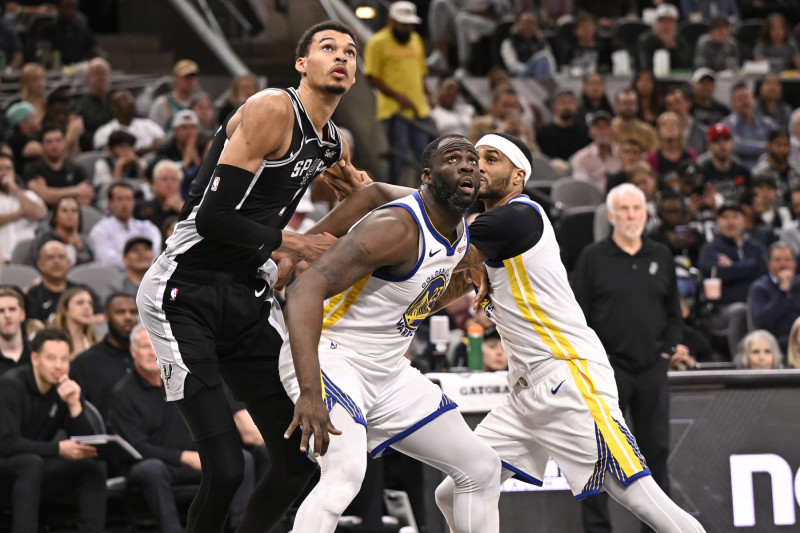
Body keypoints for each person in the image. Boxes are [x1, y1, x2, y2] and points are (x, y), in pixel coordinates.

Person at [306, 135, 704, 533]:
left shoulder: (516, 216)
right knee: (456, 490)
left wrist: (369, 200)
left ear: (518, 176)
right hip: (526, 390)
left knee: (632, 490)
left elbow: (424, 225)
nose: (477, 165)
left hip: (567, 375)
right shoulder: (487, 232)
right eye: (473, 158)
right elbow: (434, 254)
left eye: (490, 159)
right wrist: (373, 194)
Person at [135, 21, 368, 533]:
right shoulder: (272, 108)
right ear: (301, 64)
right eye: (328, 48)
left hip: (245, 292)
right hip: (185, 289)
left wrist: (363, 194)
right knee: (225, 469)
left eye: (351, 52)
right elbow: (213, 217)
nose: (342, 57)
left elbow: (361, 195)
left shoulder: (331, 143)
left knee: (296, 464)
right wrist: (298, 243)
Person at [280, 134, 501, 533]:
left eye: (473, 159)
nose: (469, 165)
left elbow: (374, 190)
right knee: (343, 477)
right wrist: (310, 390)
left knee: (481, 468)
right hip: (333, 357)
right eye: (455, 159)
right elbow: (302, 291)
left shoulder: (453, 222)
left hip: (387, 370)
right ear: (429, 177)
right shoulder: (396, 227)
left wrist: (474, 270)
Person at [572, 183, 699, 533]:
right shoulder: (592, 258)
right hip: (606, 372)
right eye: (624, 209)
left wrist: (666, 351)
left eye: (637, 208)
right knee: (597, 456)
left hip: (652, 370)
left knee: (655, 453)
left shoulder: (660, 255)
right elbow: (577, 317)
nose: (631, 215)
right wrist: (597, 360)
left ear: (646, 213)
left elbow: (675, 314)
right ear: (611, 216)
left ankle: (656, 529)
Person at [109, 324, 256, 532]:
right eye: (145, 347)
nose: (152, 352)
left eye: (156, 345)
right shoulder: (123, 394)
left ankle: (242, 528)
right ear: (133, 351)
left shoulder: (184, 379)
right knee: (152, 469)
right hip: (159, 466)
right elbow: (137, 448)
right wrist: (184, 457)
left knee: (243, 459)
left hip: (199, 459)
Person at [0, 328, 107, 533]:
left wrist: (75, 405)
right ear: (35, 358)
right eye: (51, 358)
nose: (59, 366)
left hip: (37, 465)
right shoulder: (10, 386)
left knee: (92, 466)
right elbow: (7, 443)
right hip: (8, 465)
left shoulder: (65, 387)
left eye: (64, 359)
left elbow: (88, 445)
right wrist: (58, 449)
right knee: (31, 463)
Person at [363, 1, 432, 185]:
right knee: (398, 160)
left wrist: (429, 96)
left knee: (424, 159)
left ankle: (423, 200)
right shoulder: (377, 42)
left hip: (419, 109)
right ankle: (390, 199)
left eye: (409, 24)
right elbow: (371, 76)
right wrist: (397, 96)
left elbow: (421, 72)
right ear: (391, 20)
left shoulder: (416, 39)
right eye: (403, 23)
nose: (407, 27)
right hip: (394, 110)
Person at [697, 202, 767, 356]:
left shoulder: (756, 247)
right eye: (725, 218)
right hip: (721, 311)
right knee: (740, 310)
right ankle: (741, 363)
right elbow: (714, 272)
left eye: (735, 217)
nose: (730, 222)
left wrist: (733, 267)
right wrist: (748, 267)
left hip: (757, 305)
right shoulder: (710, 248)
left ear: (744, 220)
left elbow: (763, 269)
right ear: (718, 221)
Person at [70, 292, 137, 421]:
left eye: (133, 312)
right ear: (106, 317)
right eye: (120, 312)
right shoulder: (85, 363)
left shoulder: (150, 358)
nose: (128, 317)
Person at [90, 182, 162, 271]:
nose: (125, 204)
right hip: (115, 279)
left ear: (133, 202)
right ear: (110, 204)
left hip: (147, 276)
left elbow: (155, 255)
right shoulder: (100, 230)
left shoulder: (147, 227)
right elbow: (107, 261)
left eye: (128, 199)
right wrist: (139, 262)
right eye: (120, 199)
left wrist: (134, 260)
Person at [748, 241, 800, 354]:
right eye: (777, 260)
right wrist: (782, 291)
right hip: (772, 344)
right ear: (769, 264)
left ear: (795, 263)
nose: (783, 264)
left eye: (787, 260)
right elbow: (762, 323)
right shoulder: (759, 288)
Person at [23, 124, 93, 208]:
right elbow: (39, 196)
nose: (54, 145)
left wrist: (50, 193)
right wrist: (75, 190)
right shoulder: (32, 169)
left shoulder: (77, 169)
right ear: (41, 145)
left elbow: (85, 199)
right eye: (49, 142)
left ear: (64, 143)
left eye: (58, 140)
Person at [0, 151, 46, 263]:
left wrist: (14, 189)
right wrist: (20, 213)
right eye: (1, 169)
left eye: (8, 169)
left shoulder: (28, 195)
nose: (4, 173)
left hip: (29, 260)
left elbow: (39, 213)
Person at [467, 85, 538, 153]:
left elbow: (536, 154)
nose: (509, 110)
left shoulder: (525, 127)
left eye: (513, 106)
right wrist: (501, 132)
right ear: (494, 104)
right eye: (505, 105)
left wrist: (522, 136)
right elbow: (471, 149)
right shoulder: (479, 124)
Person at [723, 82, 777, 169]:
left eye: (746, 97)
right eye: (740, 99)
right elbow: (735, 146)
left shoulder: (767, 123)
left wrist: (771, 146)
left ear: (753, 99)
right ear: (732, 104)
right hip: (739, 170)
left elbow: (776, 145)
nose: (745, 102)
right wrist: (765, 146)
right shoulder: (726, 125)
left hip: (767, 170)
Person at [94, 89, 165, 153]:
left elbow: (160, 143)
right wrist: (143, 151)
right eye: (124, 100)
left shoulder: (148, 124)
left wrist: (136, 152)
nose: (130, 102)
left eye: (131, 100)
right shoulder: (104, 131)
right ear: (114, 107)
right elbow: (107, 151)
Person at [697, 123, 751, 203]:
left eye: (726, 139)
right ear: (709, 146)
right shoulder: (702, 173)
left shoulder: (743, 171)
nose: (722, 144)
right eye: (716, 141)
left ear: (732, 143)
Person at [33, 0, 97, 65]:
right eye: (66, 7)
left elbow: (94, 50)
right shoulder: (46, 28)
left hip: (79, 69)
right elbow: (44, 57)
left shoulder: (82, 27)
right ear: (58, 7)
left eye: (73, 7)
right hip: (54, 70)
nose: (69, 11)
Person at [570, 110, 620, 193]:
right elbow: (581, 187)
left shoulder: (622, 154)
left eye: (606, 127)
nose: (603, 132)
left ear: (613, 131)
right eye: (598, 128)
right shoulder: (581, 157)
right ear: (591, 132)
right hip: (593, 200)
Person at [536, 89, 590, 163]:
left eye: (571, 102)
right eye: (562, 103)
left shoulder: (585, 130)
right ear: (553, 106)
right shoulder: (544, 132)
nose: (567, 106)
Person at [149, 59, 200, 133]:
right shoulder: (162, 103)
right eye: (186, 77)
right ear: (176, 78)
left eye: (193, 77)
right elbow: (154, 134)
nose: (190, 81)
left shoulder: (200, 103)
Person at [499, 11, 555, 78]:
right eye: (525, 22)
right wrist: (532, 68)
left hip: (541, 73)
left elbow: (551, 62)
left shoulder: (542, 42)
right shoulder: (509, 42)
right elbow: (512, 65)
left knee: (543, 60)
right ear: (518, 24)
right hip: (521, 76)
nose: (528, 25)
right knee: (540, 59)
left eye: (531, 23)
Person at [751, 129, 800, 206]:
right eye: (778, 145)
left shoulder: (796, 171)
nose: (782, 149)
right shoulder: (760, 173)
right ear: (769, 145)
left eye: (786, 145)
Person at [637, 4, 692, 71]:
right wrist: (659, 43)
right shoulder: (646, 40)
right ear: (656, 23)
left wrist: (673, 48)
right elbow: (645, 66)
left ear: (676, 24)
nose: (666, 25)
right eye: (662, 21)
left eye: (670, 21)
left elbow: (686, 67)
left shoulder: (681, 40)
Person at [645, 111, 697, 182]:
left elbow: (696, 179)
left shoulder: (690, 154)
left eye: (674, 124)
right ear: (658, 132)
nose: (669, 127)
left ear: (680, 130)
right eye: (664, 125)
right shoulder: (652, 158)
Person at [76, 57, 113, 152]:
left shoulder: (117, 101)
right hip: (93, 150)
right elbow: (81, 135)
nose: (101, 77)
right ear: (88, 78)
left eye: (104, 73)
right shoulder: (80, 106)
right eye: (96, 73)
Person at [51, 286, 99, 359]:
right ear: (65, 309)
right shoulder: (50, 341)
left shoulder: (96, 342)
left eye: (90, 303)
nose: (87, 307)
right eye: (80, 303)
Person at [611, 89, 658, 153]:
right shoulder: (609, 129)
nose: (628, 107)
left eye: (631, 103)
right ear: (616, 105)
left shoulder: (647, 130)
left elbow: (653, 155)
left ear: (637, 105)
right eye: (625, 103)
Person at [664, 86, 707, 156]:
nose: (674, 107)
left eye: (678, 102)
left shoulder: (704, 133)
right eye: (670, 104)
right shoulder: (661, 134)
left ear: (689, 103)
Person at [6, 101, 43, 176]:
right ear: (23, 123)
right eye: (34, 117)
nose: (39, 120)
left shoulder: (34, 138)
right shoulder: (16, 140)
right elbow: (47, 151)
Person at [0, 287, 31, 376]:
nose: (7, 315)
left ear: (22, 314)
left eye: (12, 309)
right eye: (1, 311)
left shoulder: (37, 353)